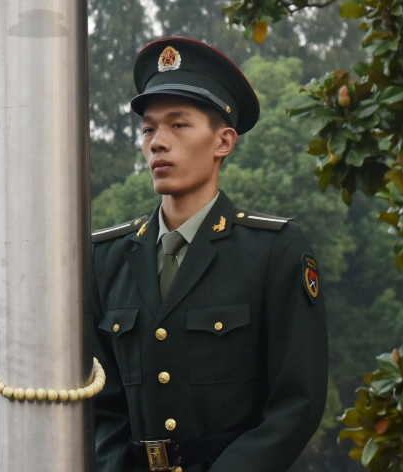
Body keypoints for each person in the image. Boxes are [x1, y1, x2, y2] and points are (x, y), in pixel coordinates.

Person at [90, 37, 328, 472]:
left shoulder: (274, 252)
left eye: (178, 125)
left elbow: (297, 403)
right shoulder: (106, 259)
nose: (158, 142)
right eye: (149, 129)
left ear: (224, 142)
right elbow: (100, 406)